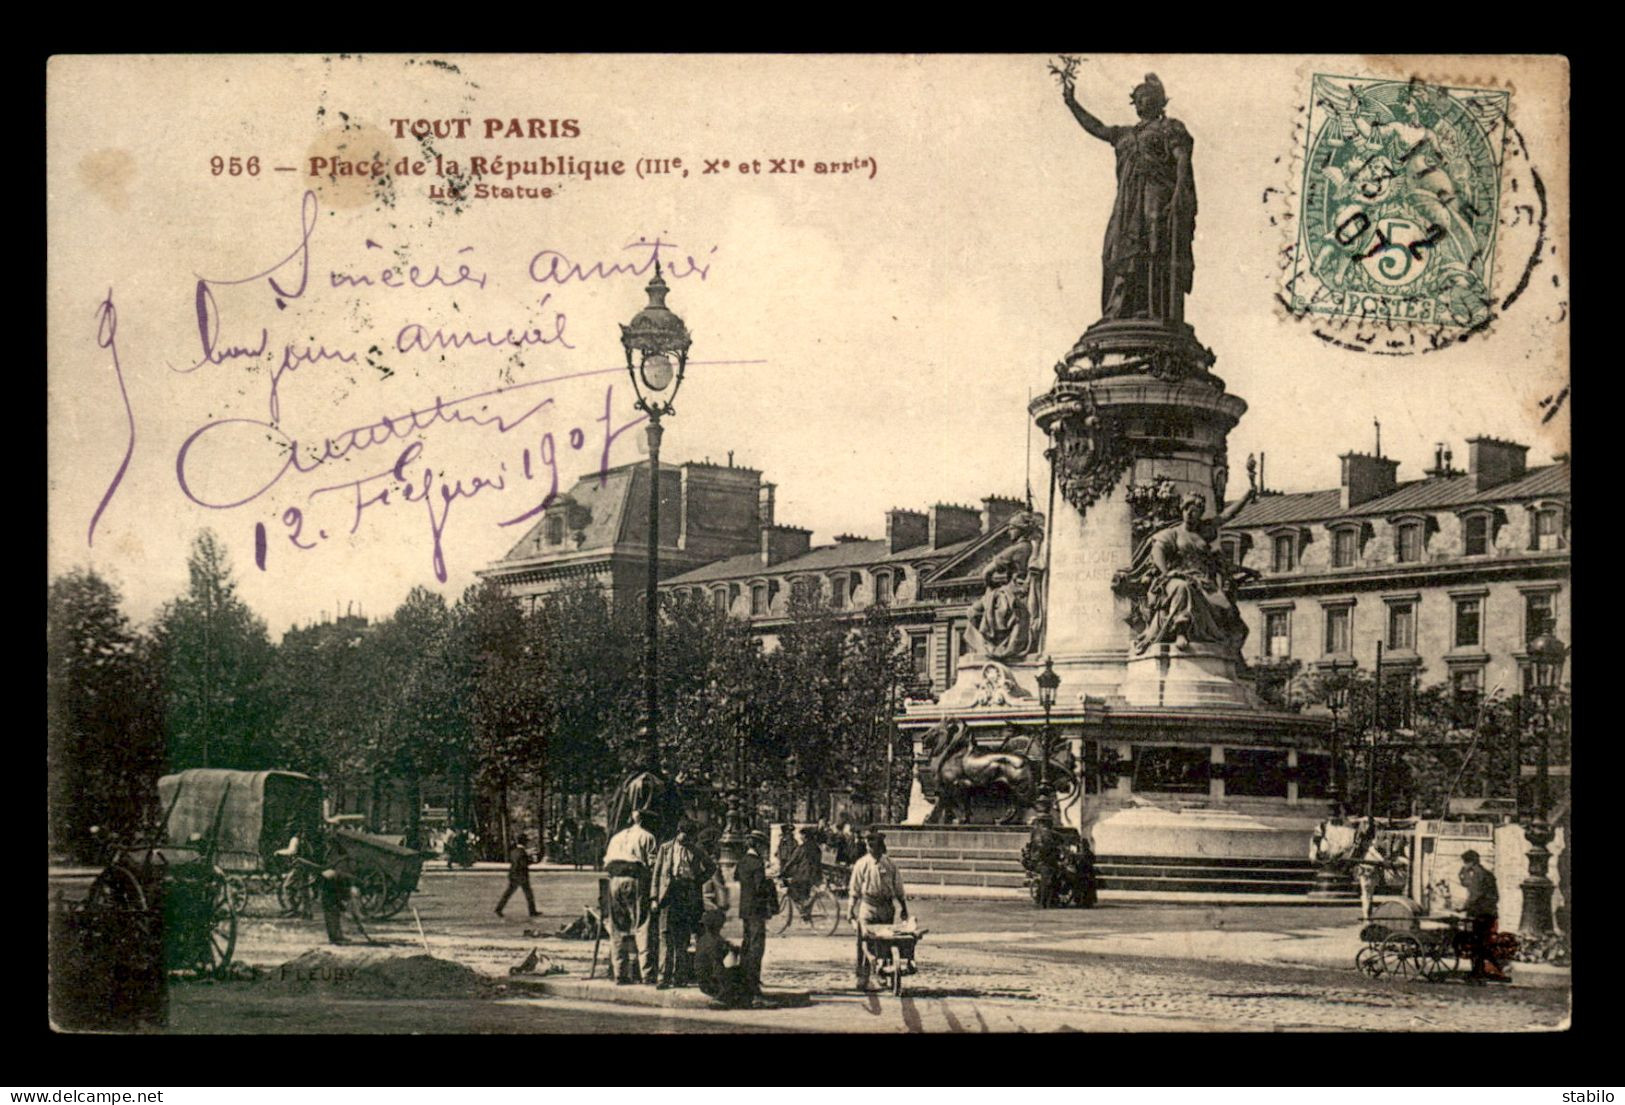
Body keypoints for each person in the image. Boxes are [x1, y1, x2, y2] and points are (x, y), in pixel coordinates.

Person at [1060, 70, 1196, 323]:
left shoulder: (1170, 128)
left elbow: (1182, 160)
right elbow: (1097, 127)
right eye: (1139, 97)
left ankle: (1155, 309)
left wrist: (1179, 194)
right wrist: (1072, 103)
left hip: (1157, 193)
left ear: (1159, 100)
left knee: (1154, 243)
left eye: (1148, 96)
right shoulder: (1124, 134)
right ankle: (1121, 309)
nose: (1143, 101)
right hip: (1127, 203)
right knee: (1115, 248)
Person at [1127, 494, 1253, 655]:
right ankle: (1181, 630)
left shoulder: (1204, 531)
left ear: (1200, 513)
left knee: (1227, 610)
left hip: (1203, 581)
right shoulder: (1172, 533)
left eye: (1194, 511)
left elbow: (1227, 515)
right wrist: (1167, 573)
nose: (1189, 514)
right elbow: (1157, 551)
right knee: (1183, 588)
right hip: (1176, 577)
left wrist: (1248, 494)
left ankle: (1229, 654)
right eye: (1186, 509)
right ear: (1182, 510)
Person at [651, 817, 714, 989]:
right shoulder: (665, 849)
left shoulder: (696, 850)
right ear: (678, 833)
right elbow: (657, 874)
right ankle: (663, 977)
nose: (686, 841)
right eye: (683, 837)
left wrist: (698, 880)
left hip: (687, 894)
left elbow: (711, 867)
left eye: (689, 838)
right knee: (665, 936)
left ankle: (680, 977)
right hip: (669, 894)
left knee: (682, 937)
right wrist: (654, 898)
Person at [848, 830, 909, 991]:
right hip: (867, 907)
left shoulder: (890, 864)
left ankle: (884, 973)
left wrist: (904, 908)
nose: (870, 848)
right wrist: (850, 910)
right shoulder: (861, 864)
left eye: (873, 845)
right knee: (863, 942)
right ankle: (862, 977)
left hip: (886, 908)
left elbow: (899, 888)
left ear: (881, 847)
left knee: (885, 941)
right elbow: (854, 889)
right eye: (868, 845)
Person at [603, 809, 658, 985]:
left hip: (614, 881)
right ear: (643, 821)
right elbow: (653, 865)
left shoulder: (616, 837)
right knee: (642, 924)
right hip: (635, 879)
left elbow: (607, 860)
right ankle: (647, 973)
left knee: (618, 927)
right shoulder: (647, 836)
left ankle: (620, 972)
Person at [735, 828, 775, 1003]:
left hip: (745, 909)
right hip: (757, 910)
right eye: (763, 846)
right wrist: (769, 882)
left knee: (746, 944)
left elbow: (738, 878)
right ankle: (754, 988)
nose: (764, 849)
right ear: (757, 845)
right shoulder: (758, 863)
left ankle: (743, 983)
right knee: (757, 948)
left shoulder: (742, 861)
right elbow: (760, 888)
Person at [1456, 849, 1501, 983]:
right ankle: (1482, 971)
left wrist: (1462, 907)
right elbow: (1466, 884)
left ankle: (1476, 973)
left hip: (1479, 914)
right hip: (1490, 913)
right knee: (1483, 943)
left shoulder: (1477, 875)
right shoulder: (1487, 874)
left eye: (1465, 863)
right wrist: (1462, 872)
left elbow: (1474, 896)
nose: (1464, 865)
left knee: (1474, 943)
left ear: (1470, 862)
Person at [694, 839, 731, 999]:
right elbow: (720, 890)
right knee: (713, 946)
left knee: (702, 944)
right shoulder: (712, 866)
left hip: (698, 908)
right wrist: (722, 908)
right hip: (710, 908)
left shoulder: (696, 862)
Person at [781, 826, 824, 923]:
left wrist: (783, 872)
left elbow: (792, 861)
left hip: (804, 875)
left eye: (801, 835)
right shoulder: (817, 848)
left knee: (791, 889)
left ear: (805, 836)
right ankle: (806, 914)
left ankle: (805, 909)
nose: (800, 837)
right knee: (804, 894)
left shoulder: (802, 848)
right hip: (816, 876)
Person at [495, 833, 539, 919]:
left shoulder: (514, 851)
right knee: (528, 894)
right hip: (521, 876)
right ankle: (532, 911)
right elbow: (523, 864)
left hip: (513, 874)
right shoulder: (522, 852)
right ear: (524, 842)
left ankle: (499, 908)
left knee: (508, 893)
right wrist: (531, 860)